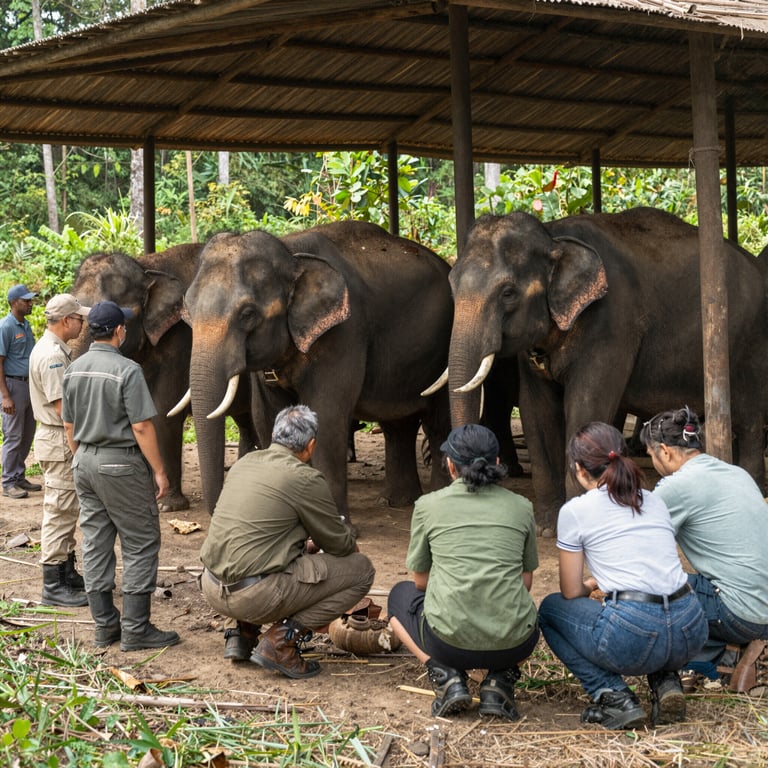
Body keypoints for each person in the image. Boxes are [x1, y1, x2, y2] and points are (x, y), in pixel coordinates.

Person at [538, 422, 707, 730]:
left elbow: (570, 591)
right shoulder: (653, 499)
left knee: (550, 609)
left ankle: (613, 696)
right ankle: (666, 682)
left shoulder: (576, 511)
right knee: (658, 619)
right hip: (690, 627)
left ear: (578, 469)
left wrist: (592, 583)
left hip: (635, 634)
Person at [200, 404, 375, 679]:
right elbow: (340, 546)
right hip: (255, 597)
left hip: (211, 587)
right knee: (361, 570)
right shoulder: (305, 477)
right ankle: (281, 642)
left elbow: (256, 534)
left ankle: (240, 634)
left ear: (274, 435)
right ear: (311, 445)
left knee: (253, 553)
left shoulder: (245, 462)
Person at [387, 424, 539, 720]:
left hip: (447, 644)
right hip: (513, 644)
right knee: (532, 615)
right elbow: (525, 581)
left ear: (449, 465)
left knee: (399, 596)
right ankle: (499, 680)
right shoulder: (522, 507)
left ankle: (444, 675)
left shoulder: (427, 505)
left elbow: (420, 581)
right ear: (497, 462)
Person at [62, 301, 179, 651]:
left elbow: (69, 424)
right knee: (141, 541)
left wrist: (81, 456)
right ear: (118, 331)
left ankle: (104, 626)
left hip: (85, 461)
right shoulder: (127, 370)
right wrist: (160, 471)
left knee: (96, 541)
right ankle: (136, 629)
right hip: (121, 464)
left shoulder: (74, 368)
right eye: (123, 326)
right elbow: (141, 426)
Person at [640, 407, 768, 690]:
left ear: (665, 451)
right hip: (760, 606)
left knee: (643, 590)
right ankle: (730, 653)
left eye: (651, 455)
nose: (653, 462)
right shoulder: (738, 473)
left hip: (740, 613)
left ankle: (700, 659)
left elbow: (640, 550)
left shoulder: (675, 486)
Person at [29, 294, 92, 608]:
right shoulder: (53, 356)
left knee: (67, 509)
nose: (83, 323)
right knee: (59, 509)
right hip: (60, 440)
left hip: (56, 439)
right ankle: (53, 583)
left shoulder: (53, 350)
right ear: (67, 320)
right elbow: (64, 411)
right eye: (79, 318)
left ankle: (66, 571)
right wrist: (78, 451)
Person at [0, 284, 41, 499]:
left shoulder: (24, 325)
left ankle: (18, 476)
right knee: (13, 435)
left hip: (28, 386)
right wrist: (5, 395)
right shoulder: (5, 327)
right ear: (15, 302)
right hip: (13, 386)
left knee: (27, 434)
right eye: (26, 300)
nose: (30, 303)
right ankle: (8, 482)